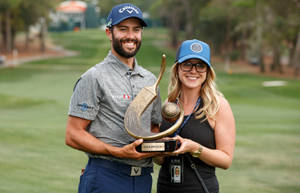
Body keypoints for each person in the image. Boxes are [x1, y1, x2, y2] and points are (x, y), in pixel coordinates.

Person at [65, 3, 162, 193]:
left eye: (136, 30)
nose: (131, 36)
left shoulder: (150, 80)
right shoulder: (94, 77)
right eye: (123, 29)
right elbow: (73, 135)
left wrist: (166, 146)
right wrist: (117, 151)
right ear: (109, 33)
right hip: (106, 177)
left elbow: (153, 129)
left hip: (143, 180)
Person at [155, 39, 236, 193]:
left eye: (200, 65)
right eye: (187, 64)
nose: (193, 70)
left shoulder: (218, 106)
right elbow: (159, 161)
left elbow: (226, 160)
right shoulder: (169, 104)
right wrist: (159, 150)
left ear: (207, 71)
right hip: (165, 188)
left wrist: (195, 148)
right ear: (177, 68)